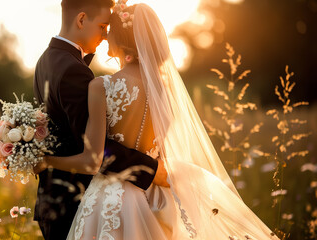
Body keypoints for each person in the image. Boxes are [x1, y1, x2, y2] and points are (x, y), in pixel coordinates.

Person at [44, 2, 281, 240]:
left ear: (122, 38)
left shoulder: (101, 87)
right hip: (156, 194)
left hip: (109, 200)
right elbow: (161, 151)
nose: (105, 37)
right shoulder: (166, 92)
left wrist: (46, 161)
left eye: (109, 30)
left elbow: (93, 161)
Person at [32, 0, 169, 239]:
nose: (106, 36)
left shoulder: (46, 60)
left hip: (58, 200)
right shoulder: (75, 70)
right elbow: (98, 149)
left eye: (110, 29)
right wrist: (151, 168)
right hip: (76, 202)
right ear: (82, 19)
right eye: (103, 26)